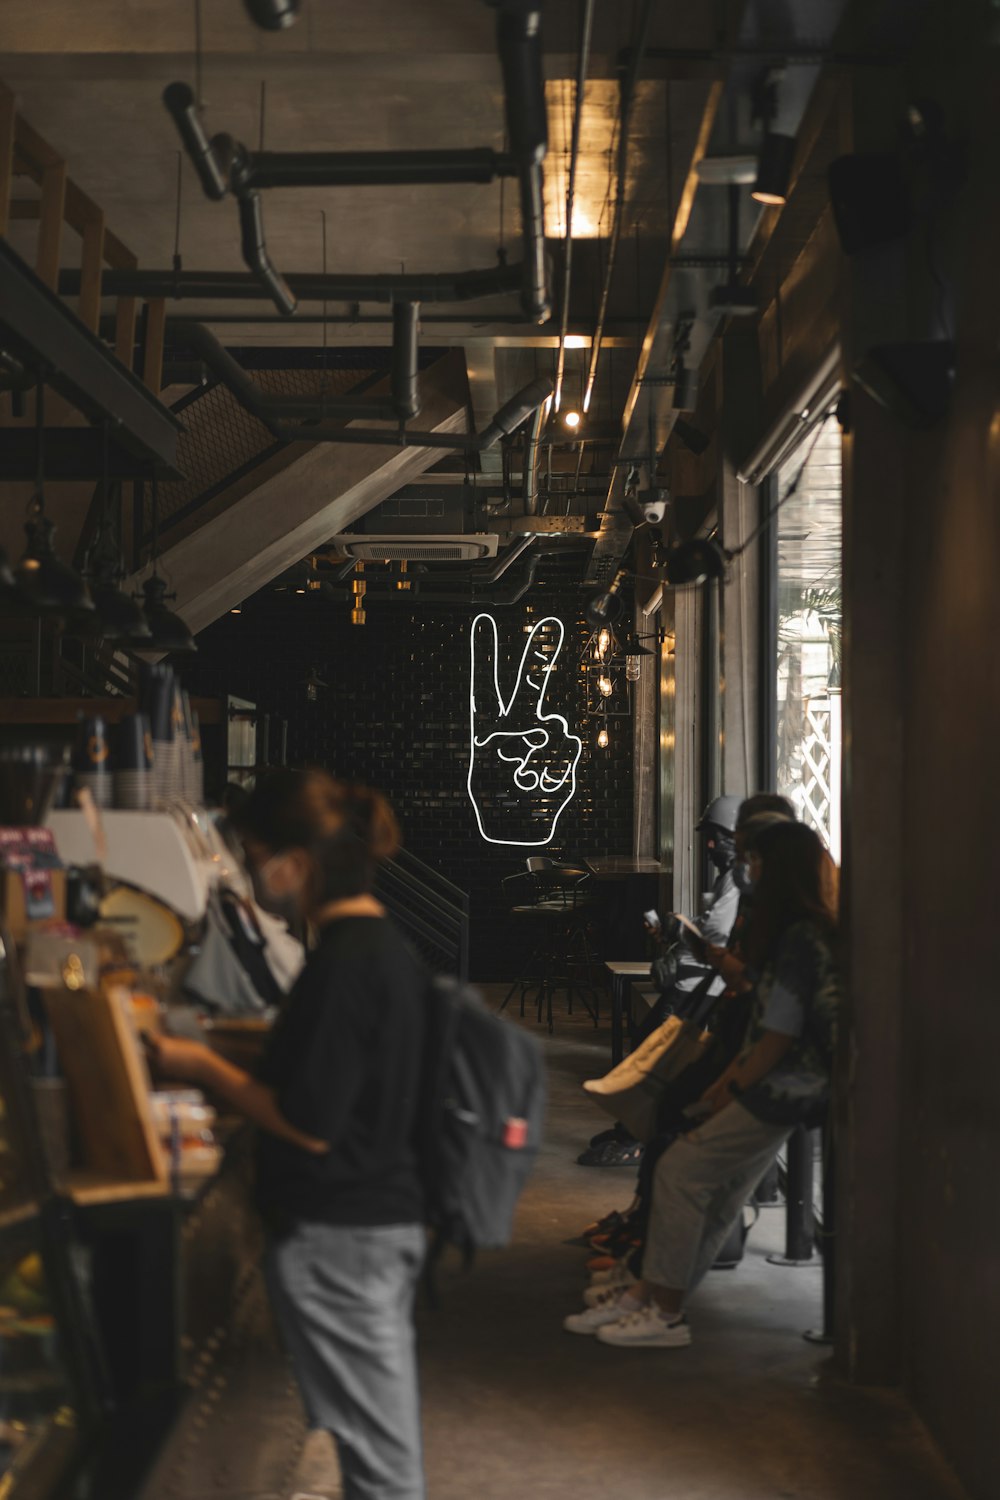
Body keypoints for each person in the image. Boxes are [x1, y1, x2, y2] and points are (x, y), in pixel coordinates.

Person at [150, 770, 430, 1500]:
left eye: (252, 852)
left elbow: (309, 1124)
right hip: (372, 1225)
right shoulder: (378, 950)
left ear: (295, 863)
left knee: (381, 1463)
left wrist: (200, 1064)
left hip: (343, 1235)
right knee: (366, 1442)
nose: (248, 872)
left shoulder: (343, 966)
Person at [566, 819, 840, 1346]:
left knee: (681, 1171)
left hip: (782, 1087)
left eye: (756, 861)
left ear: (777, 872)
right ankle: (652, 1297)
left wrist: (724, 1091)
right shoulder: (810, 930)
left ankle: (661, 1309)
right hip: (799, 1089)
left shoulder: (797, 939)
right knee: (718, 1193)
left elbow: (775, 1039)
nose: (746, 869)